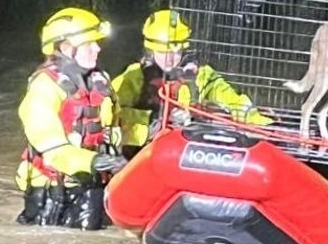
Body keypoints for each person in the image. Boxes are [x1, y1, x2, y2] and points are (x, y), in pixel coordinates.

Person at [15, 7, 127, 230]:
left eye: (97, 42)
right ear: (64, 47)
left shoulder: (100, 81)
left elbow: (114, 128)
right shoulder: (44, 88)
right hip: (53, 190)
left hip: (93, 184)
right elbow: (52, 151)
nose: (96, 48)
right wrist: (94, 161)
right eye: (88, 44)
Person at [112, 9, 273, 157]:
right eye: (164, 52)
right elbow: (112, 114)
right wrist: (156, 120)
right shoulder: (134, 77)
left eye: (177, 52)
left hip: (187, 155)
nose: (172, 58)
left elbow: (232, 100)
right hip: (144, 156)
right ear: (151, 49)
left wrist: (265, 126)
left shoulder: (198, 75)